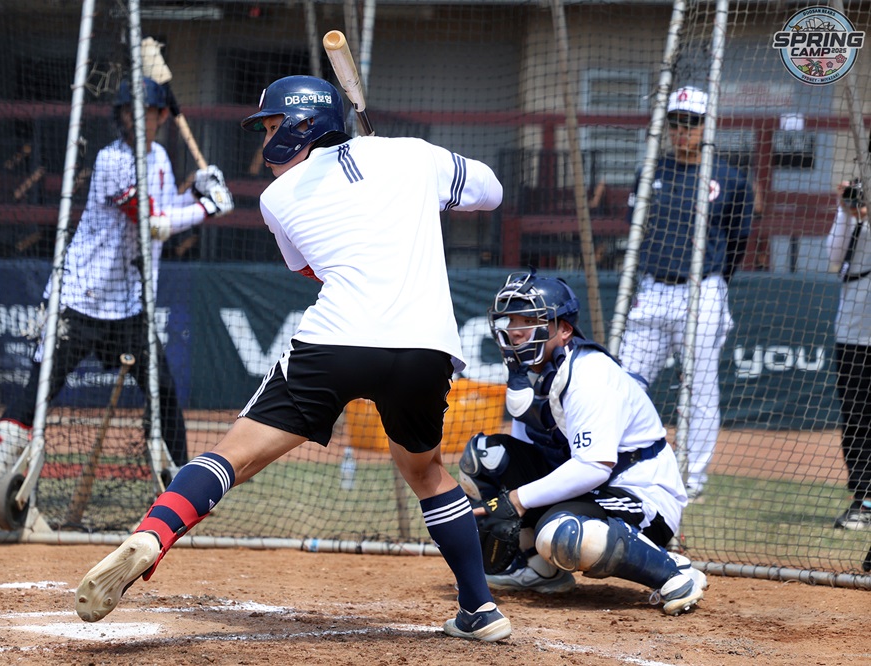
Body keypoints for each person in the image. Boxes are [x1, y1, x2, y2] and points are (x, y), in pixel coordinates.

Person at [73, 75, 512, 642]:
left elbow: (313, 270)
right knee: (427, 472)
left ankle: (154, 535)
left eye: (275, 127)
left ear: (307, 126)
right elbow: (493, 192)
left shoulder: (277, 198)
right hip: (425, 347)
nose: (266, 142)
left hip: (338, 339)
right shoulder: (413, 156)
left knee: (235, 455)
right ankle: (480, 609)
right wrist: (428, 187)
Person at [0, 76, 234, 512]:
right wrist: (208, 206)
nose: (133, 119)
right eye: (128, 111)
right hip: (79, 300)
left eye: (143, 111)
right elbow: (152, 223)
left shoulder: (160, 157)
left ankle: (187, 494)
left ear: (162, 116)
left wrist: (198, 187)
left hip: (129, 307)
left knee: (162, 390)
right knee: (38, 391)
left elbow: (166, 209)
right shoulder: (113, 161)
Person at [458, 270, 707, 614]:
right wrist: (504, 498)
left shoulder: (590, 375)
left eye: (529, 320)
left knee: (562, 536)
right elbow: (525, 452)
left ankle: (673, 572)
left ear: (563, 330)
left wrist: (515, 500)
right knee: (484, 458)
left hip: (640, 493)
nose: (515, 331)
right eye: (511, 320)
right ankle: (540, 570)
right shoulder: (530, 372)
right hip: (588, 490)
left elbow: (594, 466)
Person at [619, 85, 754, 501]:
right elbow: (636, 229)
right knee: (623, 381)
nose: (683, 130)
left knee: (699, 387)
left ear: (706, 126)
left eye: (691, 122)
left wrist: (718, 281)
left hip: (704, 290)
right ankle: (621, 463)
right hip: (653, 286)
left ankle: (692, 475)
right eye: (676, 122)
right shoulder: (651, 171)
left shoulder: (730, 178)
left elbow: (738, 239)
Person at [826, 178, 871, 530]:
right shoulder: (855, 220)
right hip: (854, 337)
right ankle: (864, 499)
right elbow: (832, 259)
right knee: (856, 420)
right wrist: (848, 211)